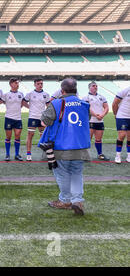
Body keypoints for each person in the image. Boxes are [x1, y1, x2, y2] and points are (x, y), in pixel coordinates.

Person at [39, 78, 91, 216]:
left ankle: (65, 200)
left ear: (62, 90)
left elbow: (44, 122)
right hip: (80, 146)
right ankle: (78, 200)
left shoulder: (56, 103)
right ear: (76, 90)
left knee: (61, 173)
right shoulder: (85, 104)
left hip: (61, 146)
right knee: (76, 173)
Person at [23, 78, 50, 161]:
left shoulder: (46, 94)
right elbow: (24, 102)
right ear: (34, 84)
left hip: (42, 118)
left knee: (43, 136)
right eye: (38, 84)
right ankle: (28, 154)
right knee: (30, 135)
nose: (40, 85)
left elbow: (48, 105)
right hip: (33, 117)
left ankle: (45, 154)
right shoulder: (30, 93)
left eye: (41, 83)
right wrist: (30, 108)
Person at [82, 82, 109, 161]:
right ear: (89, 87)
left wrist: (102, 115)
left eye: (96, 86)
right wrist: (96, 115)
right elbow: (87, 108)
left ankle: (100, 154)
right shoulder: (86, 97)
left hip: (100, 121)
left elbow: (106, 107)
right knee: (88, 138)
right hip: (90, 121)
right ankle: (84, 155)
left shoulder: (102, 97)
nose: (95, 87)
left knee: (98, 139)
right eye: (93, 86)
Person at [0, 77, 25, 161]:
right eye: (16, 83)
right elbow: (0, 102)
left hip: (18, 118)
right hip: (9, 118)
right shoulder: (6, 95)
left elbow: (22, 104)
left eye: (18, 83)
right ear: (11, 84)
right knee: (8, 137)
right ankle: (7, 155)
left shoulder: (21, 94)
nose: (17, 85)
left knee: (17, 136)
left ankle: (17, 154)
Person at [112, 85, 130, 164]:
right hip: (122, 116)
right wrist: (116, 114)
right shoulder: (125, 90)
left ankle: (129, 155)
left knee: (129, 137)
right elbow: (115, 103)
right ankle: (118, 155)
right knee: (122, 135)